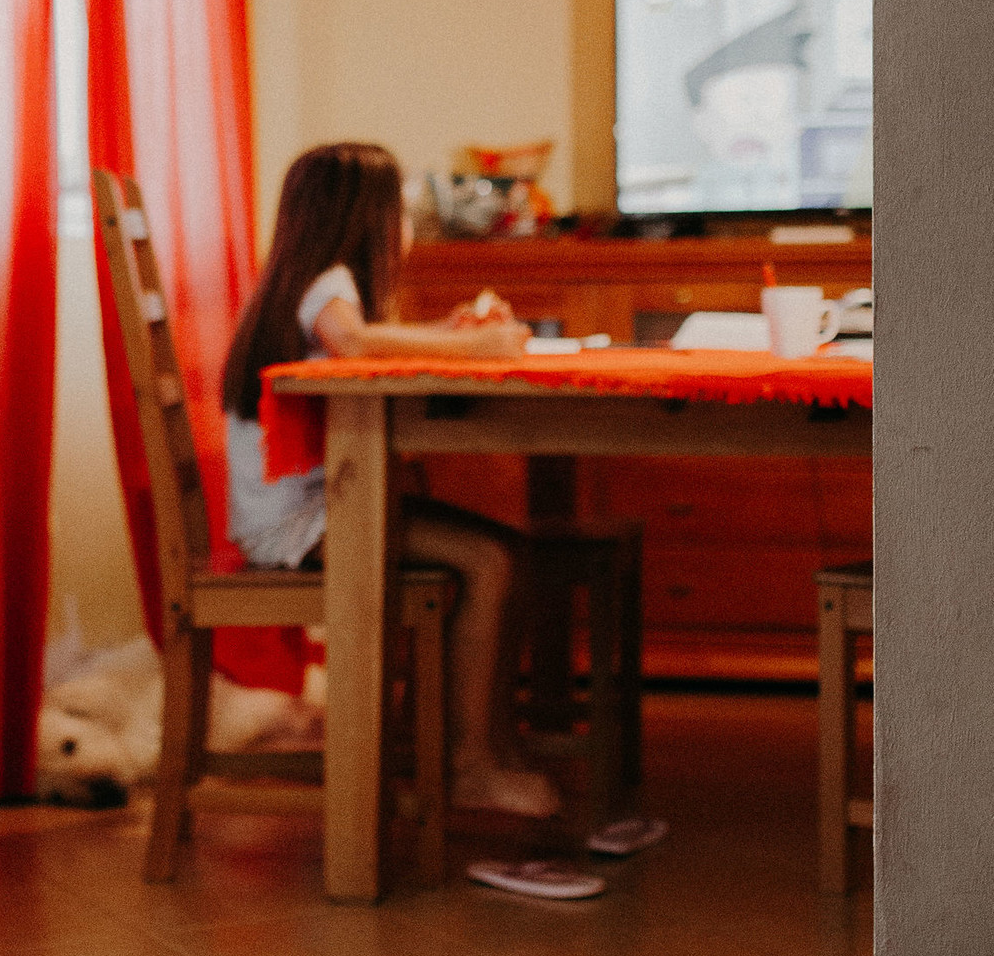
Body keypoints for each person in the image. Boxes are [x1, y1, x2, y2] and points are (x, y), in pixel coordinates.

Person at [222, 142, 665, 903]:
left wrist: (450, 330)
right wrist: (472, 343)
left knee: (501, 551)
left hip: (315, 509)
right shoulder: (327, 286)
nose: (404, 228)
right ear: (364, 219)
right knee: (491, 561)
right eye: (395, 211)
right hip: (301, 525)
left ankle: (486, 743)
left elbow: (358, 338)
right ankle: (469, 760)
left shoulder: (306, 282)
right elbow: (353, 343)